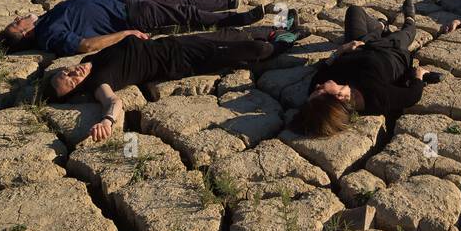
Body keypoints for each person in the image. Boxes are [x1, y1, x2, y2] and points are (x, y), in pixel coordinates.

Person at [45, 30, 293, 142]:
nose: (73, 73)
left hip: (175, 43)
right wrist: (107, 122)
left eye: (66, 73)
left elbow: (105, 43)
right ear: (77, 90)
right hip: (182, 61)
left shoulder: (88, 59)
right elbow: (113, 102)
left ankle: (278, 27)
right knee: (254, 50)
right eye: (72, 81)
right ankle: (286, 41)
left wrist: (128, 32)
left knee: (236, 34)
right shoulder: (98, 83)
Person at [289, 1, 438, 138]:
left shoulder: (317, 89)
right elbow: (412, 95)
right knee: (407, 32)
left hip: (359, 44)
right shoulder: (376, 97)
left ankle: (380, 27)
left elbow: (324, 66)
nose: (317, 86)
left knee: (355, 10)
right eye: (319, 91)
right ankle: (409, 18)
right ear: (339, 97)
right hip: (392, 51)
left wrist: (340, 51)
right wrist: (418, 76)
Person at [0, 0, 290, 56]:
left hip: (129, 3)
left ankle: (224, 2)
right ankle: (242, 19)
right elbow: (84, 45)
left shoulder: (47, 20)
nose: (17, 18)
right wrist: (125, 33)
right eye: (16, 24)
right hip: (132, 16)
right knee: (187, 16)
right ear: (25, 34)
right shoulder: (50, 34)